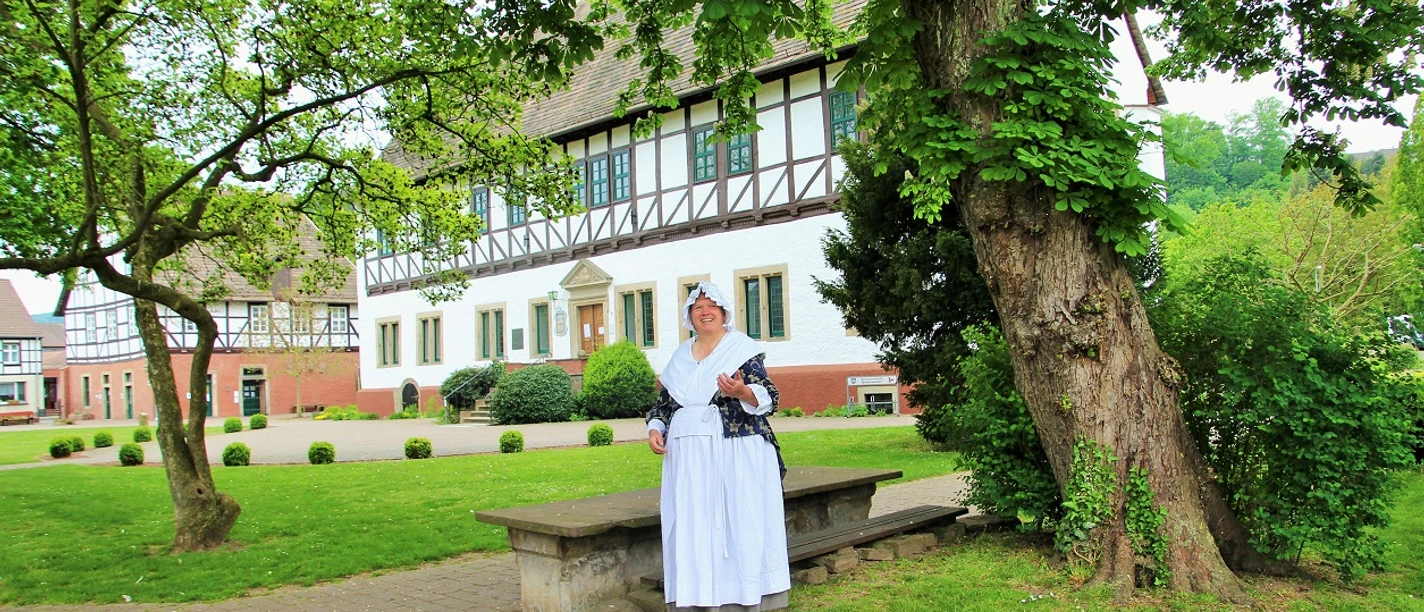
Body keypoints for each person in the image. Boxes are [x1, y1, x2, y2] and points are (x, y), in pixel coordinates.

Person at [647, 281, 789, 612]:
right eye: (698, 308)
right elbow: (664, 406)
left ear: (723, 313)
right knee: (694, 526)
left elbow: (770, 394)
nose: (705, 312)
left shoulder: (740, 348)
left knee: (738, 520)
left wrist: (741, 391)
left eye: (711, 306)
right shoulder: (680, 357)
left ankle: (744, 597)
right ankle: (698, 597)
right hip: (689, 460)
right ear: (690, 317)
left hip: (735, 452)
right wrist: (656, 428)